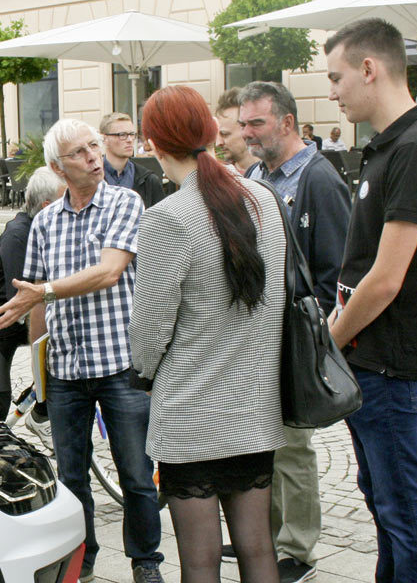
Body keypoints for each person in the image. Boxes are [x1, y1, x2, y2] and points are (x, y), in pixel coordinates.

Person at [0, 119, 165, 583]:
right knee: (71, 478)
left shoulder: (126, 202)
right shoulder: (45, 221)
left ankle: (146, 562)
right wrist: (39, 370)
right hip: (66, 369)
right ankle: (82, 561)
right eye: (80, 152)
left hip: (120, 365)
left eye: (95, 146)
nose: (94, 157)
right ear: (57, 167)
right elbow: (33, 301)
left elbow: (109, 273)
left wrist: (43, 293)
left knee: (135, 473)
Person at [325, 18, 417, 582]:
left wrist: (325, 345)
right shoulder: (393, 146)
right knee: (388, 507)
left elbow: (385, 279)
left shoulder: (416, 148)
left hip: (389, 361)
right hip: (374, 360)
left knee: (404, 511)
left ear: (368, 68)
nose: (331, 91)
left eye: (335, 77)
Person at [129, 85, 286, 583]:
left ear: (153, 142)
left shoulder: (167, 218)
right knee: (258, 548)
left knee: (199, 562)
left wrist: (145, 373)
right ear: (213, 132)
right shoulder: (263, 199)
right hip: (255, 402)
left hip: (191, 411)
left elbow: (150, 328)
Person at [237, 81, 351, 582]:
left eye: (255, 123)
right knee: (267, 441)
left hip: (297, 334)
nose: (246, 133)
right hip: (260, 332)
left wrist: (317, 338)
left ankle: (297, 550)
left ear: (287, 122)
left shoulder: (320, 180)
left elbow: (338, 270)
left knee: (295, 446)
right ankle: (268, 535)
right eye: (243, 124)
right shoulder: (257, 174)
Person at [0, 167, 65, 421]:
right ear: (47, 205)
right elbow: (21, 297)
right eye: (65, 199)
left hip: (22, 319)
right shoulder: (18, 234)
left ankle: (39, 411)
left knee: (59, 373)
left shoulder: (47, 230)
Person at [100, 112, 165, 209]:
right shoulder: (91, 179)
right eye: (122, 135)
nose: (130, 140)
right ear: (104, 139)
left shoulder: (149, 180)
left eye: (132, 134)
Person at [215, 88, 258, 175]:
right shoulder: (220, 176)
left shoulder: (274, 174)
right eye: (216, 135)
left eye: (224, 134)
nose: (218, 143)